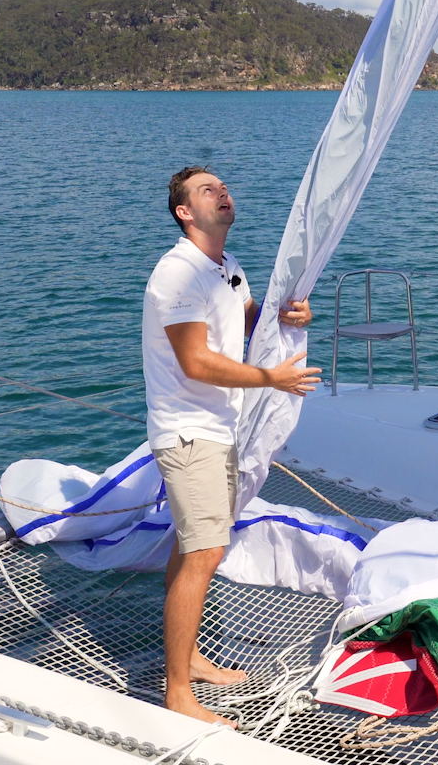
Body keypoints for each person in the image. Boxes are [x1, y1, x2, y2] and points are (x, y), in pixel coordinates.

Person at [144, 166, 321, 725]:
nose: (221, 193)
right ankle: (176, 694)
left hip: (222, 429)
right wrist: (272, 380)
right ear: (184, 212)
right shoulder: (177, 275)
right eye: (206, 190)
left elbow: (252, 326)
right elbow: (195, 363)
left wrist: (292, 316)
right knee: (203, 554)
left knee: (195, 548)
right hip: (188, 431)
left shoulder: (227, 270)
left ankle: (190, 660)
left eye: (223, 187)